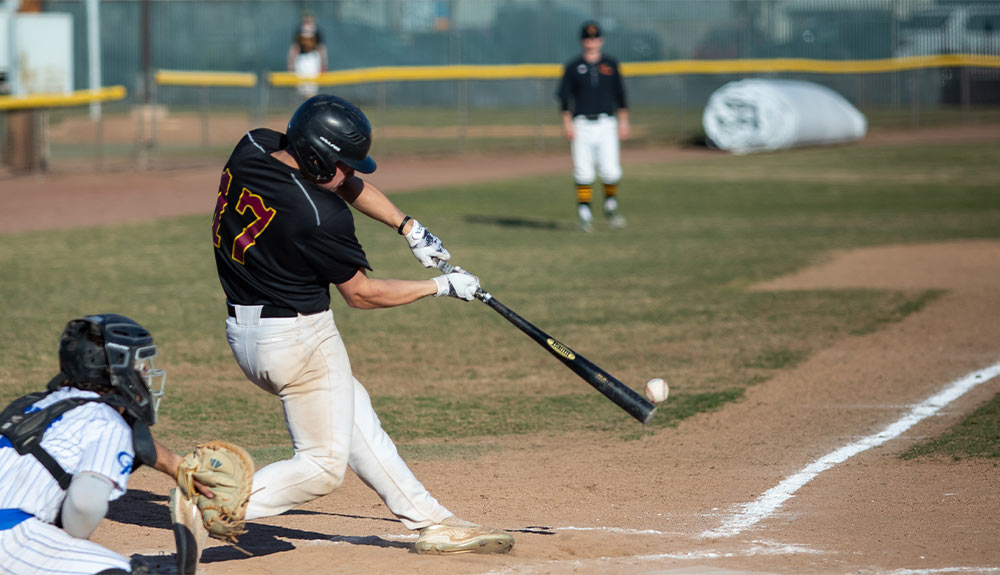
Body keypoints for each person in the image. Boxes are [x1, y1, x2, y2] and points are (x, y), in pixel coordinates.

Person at [210, 94, 514, 556]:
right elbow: (361, 294)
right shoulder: (319, 217)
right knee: (322, 466)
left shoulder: (251, 147)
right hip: (300, 340)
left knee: (357, 419)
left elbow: (334, 179)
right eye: (343, 166)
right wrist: (441, 287)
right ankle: (205, 504)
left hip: (248, 333)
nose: (351, 175)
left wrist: (408, 227)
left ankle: (432, 521)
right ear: (316, 159)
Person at [0, 314, 211, 575]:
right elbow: (83, 506)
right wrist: (68, 543)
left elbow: (134, 442)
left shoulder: (37, 405)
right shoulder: (107, 421)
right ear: (116, 370)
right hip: (14, 541)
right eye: (138, 363)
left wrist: (176, 465)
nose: (143, 372)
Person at [556, 20, 630, 232]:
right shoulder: (572, 67)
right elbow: (564, 99)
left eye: (595, 37)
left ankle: (610, 204)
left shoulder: (611, 64)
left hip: (607, 122)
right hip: (582, 124)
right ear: (582, 41)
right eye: (588, 38)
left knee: (611, 170)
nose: (592, 41)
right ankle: (584, 213)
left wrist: (624, 121)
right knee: (583, 171)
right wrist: (567, 124)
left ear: (601, 40)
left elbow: (621, 96)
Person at [287, 14, 328, 99]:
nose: (308, 21)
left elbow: (321, 48)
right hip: (301, 59)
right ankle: (303, 107)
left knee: (312, 87)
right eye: (306, 19)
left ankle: (311, 105)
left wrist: (324, 64)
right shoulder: (299, 32)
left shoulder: (316, 32)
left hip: (313, 59)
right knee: (301, 88)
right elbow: (295, 48)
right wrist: (291, 64)